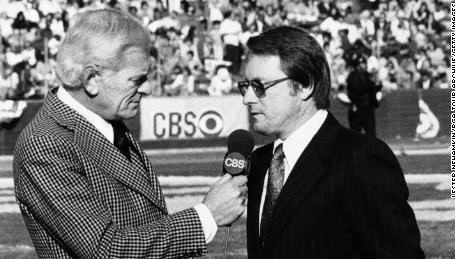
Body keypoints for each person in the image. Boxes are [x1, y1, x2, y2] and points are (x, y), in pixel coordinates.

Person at [13, 9, 247, 258]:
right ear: (92, 79)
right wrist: (206, 216)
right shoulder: (45, 143)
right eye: (136, 80)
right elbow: (107, 249)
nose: (147, 88)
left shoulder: (105, 118)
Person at [239, 26, 424, 259]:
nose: (247, 98)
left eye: (259, 86)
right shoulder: (259, 161)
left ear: (305, 85)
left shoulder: (360, 159)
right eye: (245, 86)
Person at [347, 55, 380, 136]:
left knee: (371, 135)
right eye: (362, 63)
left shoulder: (367, 75)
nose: (364, 65)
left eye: (365, 63)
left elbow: (374, 89)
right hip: (357, 108)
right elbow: (359, 89)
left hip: (368, 109)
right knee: (355, 136)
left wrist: (377, 84)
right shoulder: (353, 76)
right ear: (357, 65)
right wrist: (371, 83)